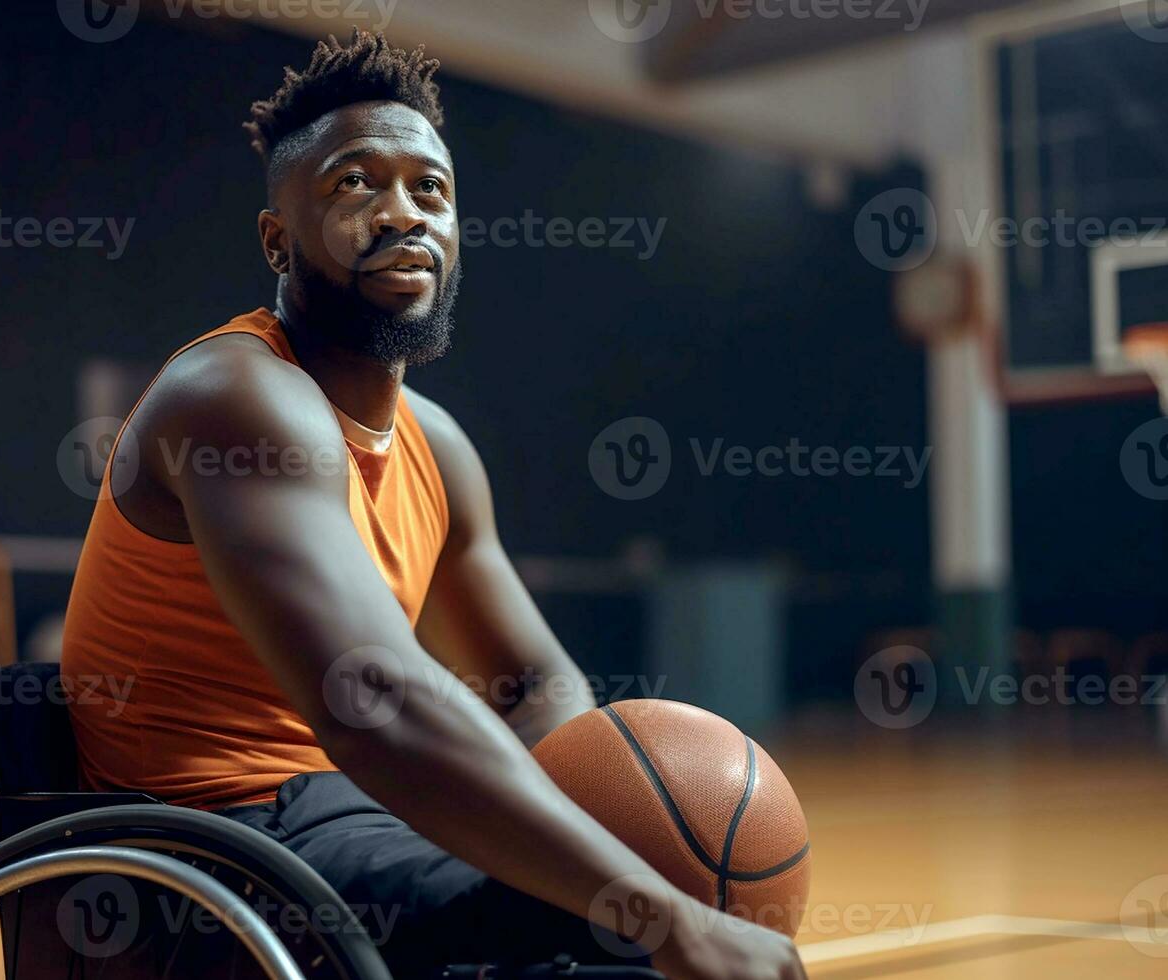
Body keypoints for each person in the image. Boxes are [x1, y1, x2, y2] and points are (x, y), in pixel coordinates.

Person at [62, 28, 806, 980]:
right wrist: (659, 913)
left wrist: (608, 805)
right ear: (276, 239)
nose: (399, 212)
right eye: (353, 184)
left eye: (431, 190)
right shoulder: (237, 397)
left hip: (345, 817)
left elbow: (534, 688)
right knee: (627, 927)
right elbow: (371, 696)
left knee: (675, 866)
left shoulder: (437, 448)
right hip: (206, 855)